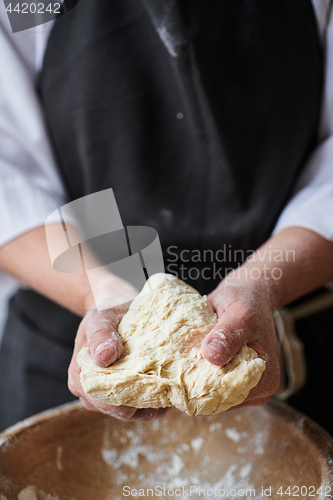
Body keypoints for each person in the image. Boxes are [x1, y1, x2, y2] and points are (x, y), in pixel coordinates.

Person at [0, 0, 333, 433]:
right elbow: (9, 175)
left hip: (292, 342)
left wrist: (260, 283)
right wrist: (101, 290)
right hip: (74, 339)